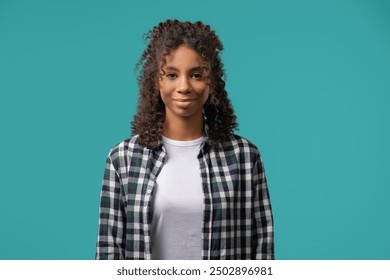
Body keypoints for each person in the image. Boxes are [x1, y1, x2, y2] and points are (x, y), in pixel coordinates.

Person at [96, 19, 274, 260]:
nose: (184, 86)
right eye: (171, 74)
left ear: (212, 81)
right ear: (156, 80)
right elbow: (108, 253)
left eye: (197, 74)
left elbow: (263, 251)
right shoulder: (123, 158)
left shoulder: (244, 157)